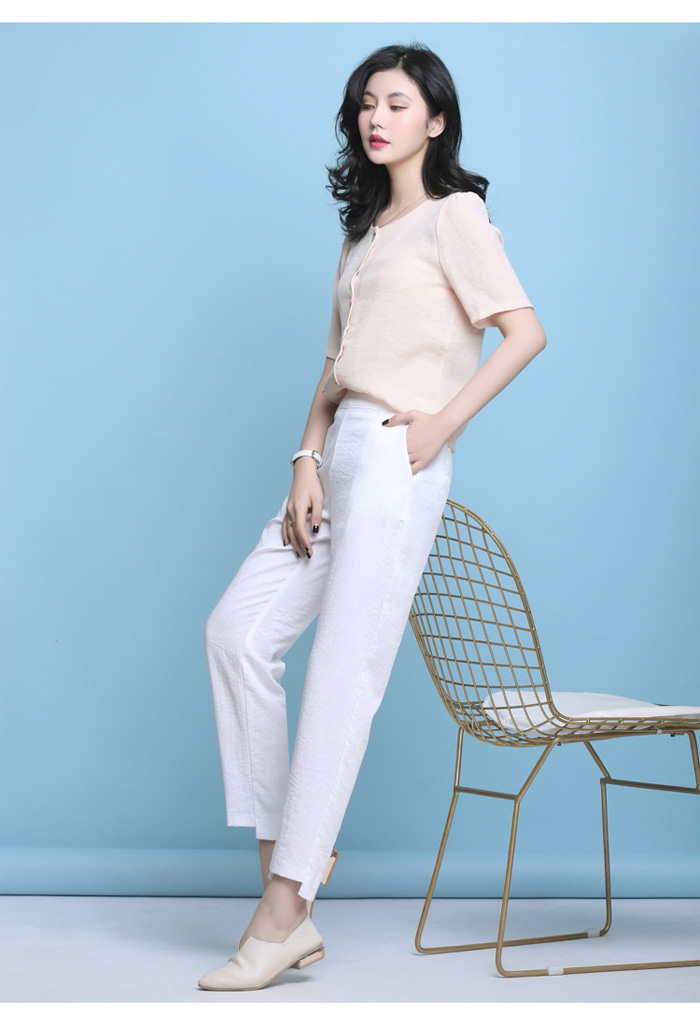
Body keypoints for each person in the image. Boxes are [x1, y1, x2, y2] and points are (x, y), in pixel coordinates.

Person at [198, 41, 546, 992]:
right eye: (365, 103)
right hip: (338, 455)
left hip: (398, 457)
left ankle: (282, 911)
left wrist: (442, 423)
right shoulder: (364, 233)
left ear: (436, 120)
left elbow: (524, 332)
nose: (375, 116)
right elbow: (333, 363)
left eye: (396, 102)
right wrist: (306, 459)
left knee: (343, 676)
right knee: (236, 635)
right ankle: (292, 865)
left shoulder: (454, 216)